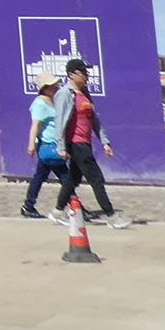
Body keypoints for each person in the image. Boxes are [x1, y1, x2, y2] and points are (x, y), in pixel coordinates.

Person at [52, 58, 127, 228]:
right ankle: (111, 216)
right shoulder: (64, 94)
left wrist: (105, 141)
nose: (86, 75)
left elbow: (94, 120)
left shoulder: (85, 93)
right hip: (75, 142)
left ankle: (57, 211)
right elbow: (59, 121)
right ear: (71, 74)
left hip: (85, 142)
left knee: (73, 178)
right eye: (83, 72)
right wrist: (61, 146)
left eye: (87, 72)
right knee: (96, 178)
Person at [20, 72, 78, 220]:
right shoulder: (40, 104)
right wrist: (31, 144)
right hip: (49, 146)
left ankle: (28, 205)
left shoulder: (51, 101)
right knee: (65, 177)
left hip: (52, 145)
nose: (56, 87)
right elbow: (35, 125)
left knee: (40, 176)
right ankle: (76, 207)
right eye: (53, 85)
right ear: (45, 88)